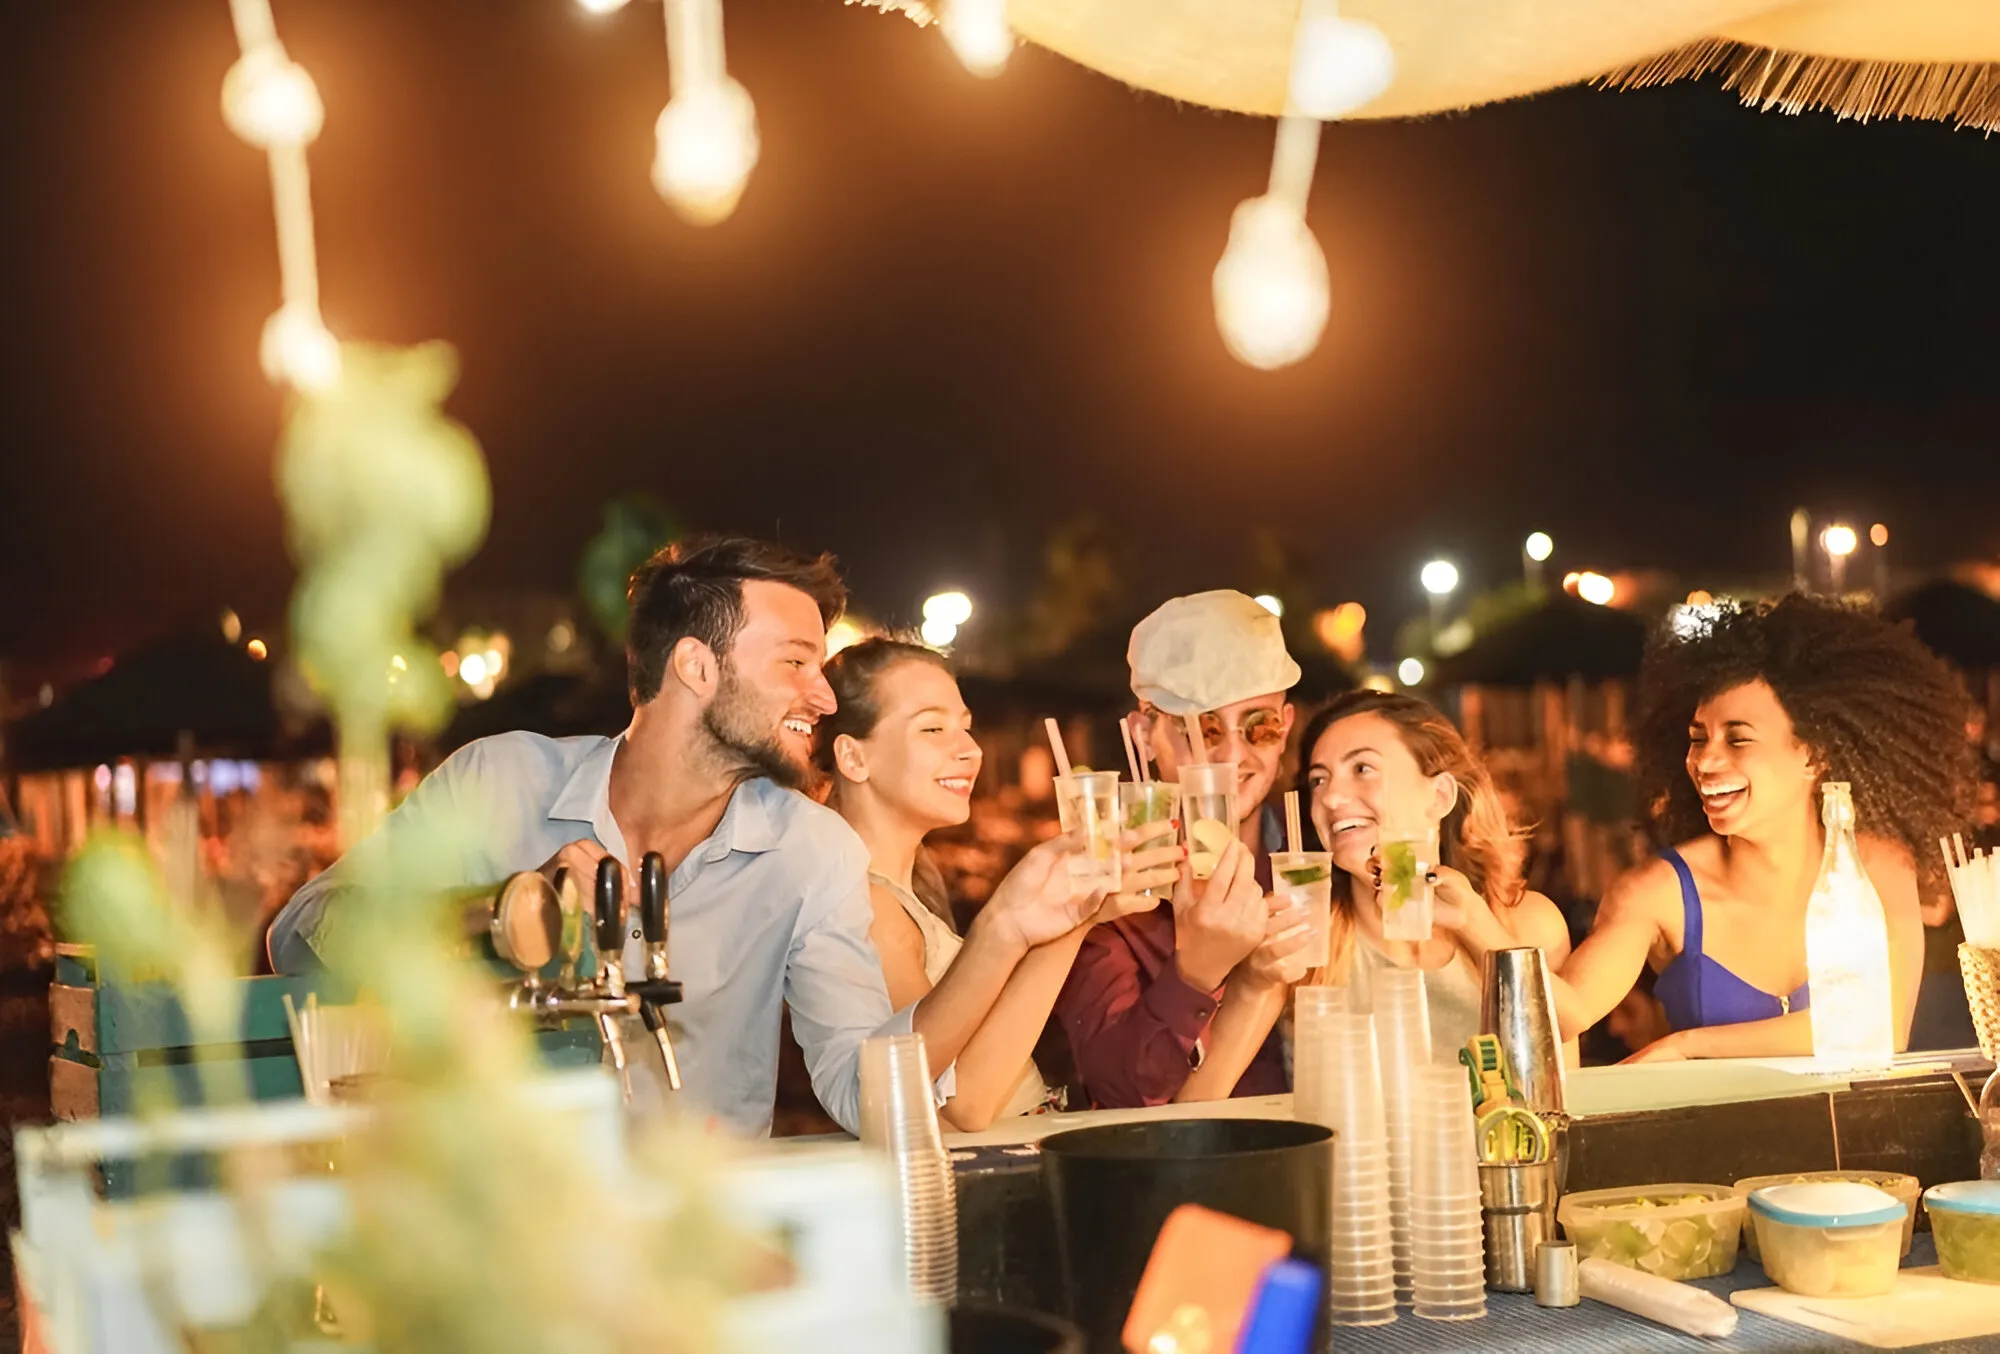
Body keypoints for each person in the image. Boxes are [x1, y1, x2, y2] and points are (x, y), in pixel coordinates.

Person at [266, 536, 1102, 1136]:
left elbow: (870, 1099)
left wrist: (1002, 935)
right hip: (498, 1252)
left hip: (692, 1267)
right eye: (795, 662)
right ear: (697, 668)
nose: (820, 694)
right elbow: (302, 934)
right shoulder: (501, 780)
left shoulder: (812, 850)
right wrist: (501, 912)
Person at [1505, 595, 1972, 1060]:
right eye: (1697, 739)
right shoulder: (1658, 892)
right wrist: (1475, 922)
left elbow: (1882, 1028)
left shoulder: (1880, 868)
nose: (1705, 760)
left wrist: (1691, 1045)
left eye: (1738, 738)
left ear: (1813, 755)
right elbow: (1566, 1014)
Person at [818, 639, 1179, 1129]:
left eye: (965, 728)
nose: (969, 750)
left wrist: (1081, 914)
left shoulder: (905, 895)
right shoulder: (869, 905)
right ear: (853, 758)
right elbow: (961, 1103)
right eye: (932, 728)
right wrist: (1070, 927)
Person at [1055, 590, 1317, 1108]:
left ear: (1284, 728)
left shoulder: (1313, 859)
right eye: (1202, 728)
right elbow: (1121, 1097)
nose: (1231, 755)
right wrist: (1195, 974)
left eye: (1257, 727)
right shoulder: (1105, 889)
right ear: (1143, 734)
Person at [1296, 690, 1572, 1058]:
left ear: (1440, 796)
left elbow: (1558, 1074)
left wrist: (1474, 924)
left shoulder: (1530, 925)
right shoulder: (1301, 941)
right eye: (1319, 780)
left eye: (1362, 769)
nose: (1330, 798)